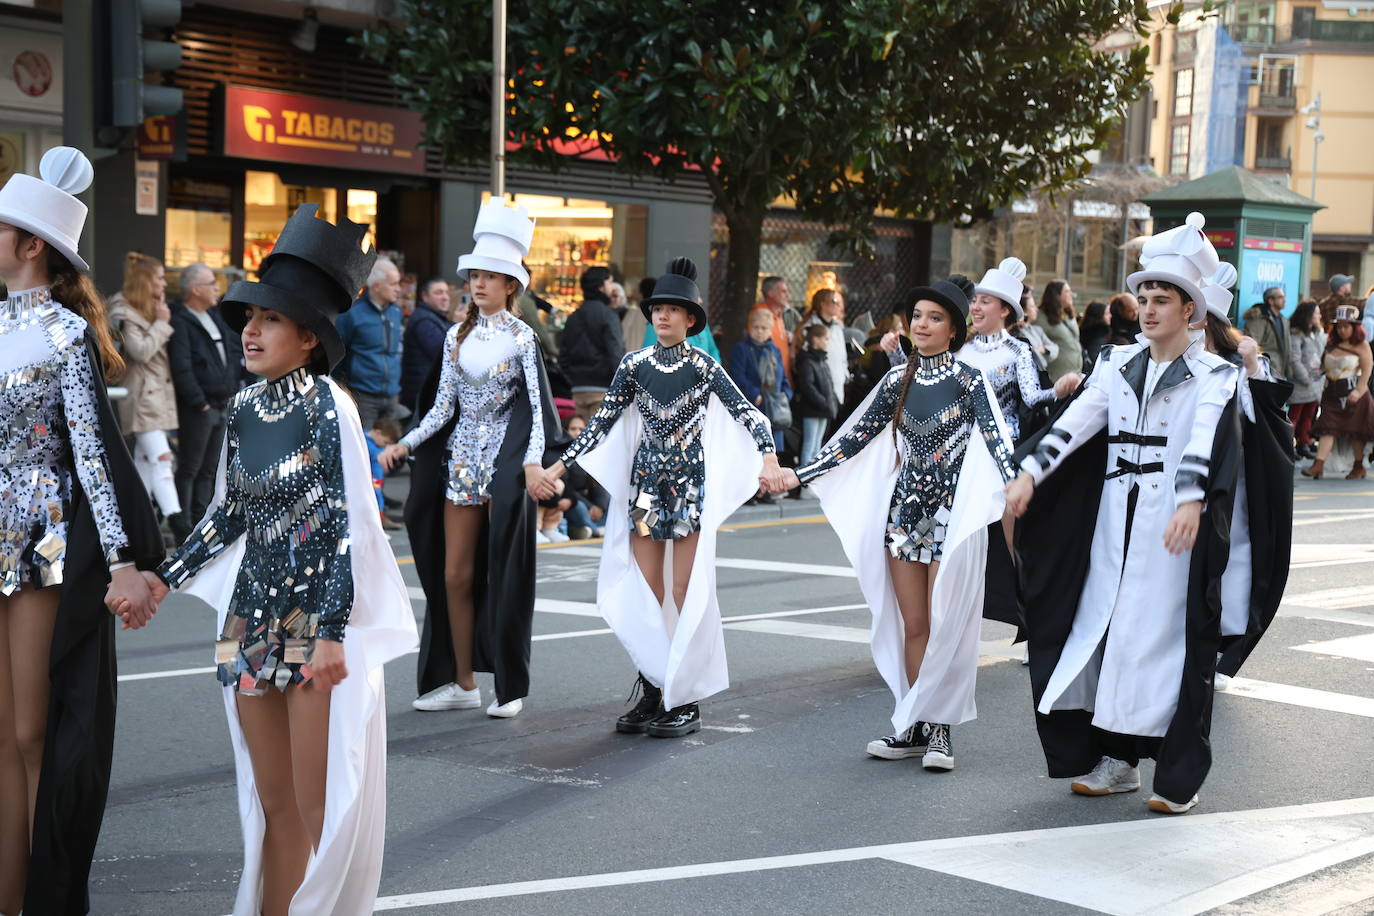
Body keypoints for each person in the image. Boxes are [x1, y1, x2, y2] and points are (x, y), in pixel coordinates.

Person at [152, 204, 417, 916]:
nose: (250, 328)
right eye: (248, 316)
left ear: (307, 339)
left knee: (311, 804)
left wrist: (330, 631)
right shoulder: (242, 409)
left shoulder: (329, 406)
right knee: (269, 809)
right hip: (248, 616)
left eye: (268, 319)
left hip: (308, 617)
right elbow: (229, 514)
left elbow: (341, 523)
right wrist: (161, 579)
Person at [1006, 212, 1244, 815]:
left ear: (1191, 310)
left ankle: (1175, 771)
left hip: (1173, 528)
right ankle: (1115, 761)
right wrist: (1031, 473)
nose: (1149, 308)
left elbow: (1203, 441)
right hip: (1115, 518)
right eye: (1144, 297)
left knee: (1164, 642)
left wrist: (1190, 499)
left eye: (1162, 299)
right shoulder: (1115, 364)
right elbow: (1076, 423)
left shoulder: (1216, 375)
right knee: (1105, 631)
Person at [0, 146, 162, 915]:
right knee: (2, 735)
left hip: (43, 543)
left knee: (34, 732)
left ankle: (44, 894)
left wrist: (125, 559)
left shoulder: (66, 334)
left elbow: (95, 455)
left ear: (32, 245)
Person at [775, 279, 1016, 771]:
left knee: (949, 623)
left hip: (954, 520)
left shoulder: (971, 381)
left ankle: (941, 731)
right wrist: (797, 473)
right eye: (917, 316)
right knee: (916, 625)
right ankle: (913, 721)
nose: (921, 325)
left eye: (934, 318)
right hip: (906, 518)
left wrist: (1021, 486)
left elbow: (998, 442)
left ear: (953, 330)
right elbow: (851, 441)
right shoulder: (895, 381)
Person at [546, 258, 787, 738]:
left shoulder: (703, 366)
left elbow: (750, 415)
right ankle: (656, 688)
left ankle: (686, 697)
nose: (662, 317)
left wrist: (769, 458)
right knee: (648, 592)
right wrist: (557, 465)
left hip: (689, 493)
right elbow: (600, 425)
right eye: (657, 309)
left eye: (674, 310)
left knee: (683, 592)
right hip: (644, 492)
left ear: (690, 319)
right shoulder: (633, 365)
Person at [381, 199, 561, 719]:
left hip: (504, 468)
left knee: (503, 572)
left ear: (512, 286)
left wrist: (530, 465)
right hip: (459, 464)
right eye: (475, 275)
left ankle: (509, 686)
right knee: (453, 575)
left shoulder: (524, 338)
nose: (479, 284)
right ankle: (461, 681)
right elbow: (441, 408)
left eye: (492, 276)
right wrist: (405, 444)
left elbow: (537, 411)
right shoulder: (453, 336)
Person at [1193, 311, 1294, 685]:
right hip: (1176, 474)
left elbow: (1263, 417)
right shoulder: (1163, 357)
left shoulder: (1241, 363)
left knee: (1233, 555)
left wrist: (1251, 368)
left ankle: (1221, 645)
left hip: (1229, 478)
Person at [169, 262, 246, 540]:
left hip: (220, 403)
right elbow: (182, 365)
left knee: (210, 468)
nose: (217, 288)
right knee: (190, 467)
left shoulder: (213, 316)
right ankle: (184, 526)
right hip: (199, 408)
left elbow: (228, 354)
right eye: (212, 283)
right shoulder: (180, 320)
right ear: (195, 289)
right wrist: (198, 401)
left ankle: (202, 520)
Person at [109, 251, 182, 519]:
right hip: (142, 397)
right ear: (145, 280)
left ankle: (136, 518)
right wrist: (162, 323)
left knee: (145, 460)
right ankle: (177, 522)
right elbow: (140, 351)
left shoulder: (147, 308)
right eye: (160, 278)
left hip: (155, 396)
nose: (164, 284)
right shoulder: (123, 310)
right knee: (163, 459)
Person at [1303, 305, 1374, 480]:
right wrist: (1312, 372)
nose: (1342, 330)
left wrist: (1358, 391)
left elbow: (1367, 370)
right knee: (1328, 428)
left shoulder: (1362, 345)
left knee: (1355, 432)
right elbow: (1320, 369)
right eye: (1339, 326)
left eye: (1346, 326)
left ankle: (1358, 466)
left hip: (1355, 395)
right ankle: (1318, 465)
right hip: (1332, 394)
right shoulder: (1331, 344)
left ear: (1355, 327)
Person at [336, 255, 403, 428]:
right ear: (377, 286)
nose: (398, 289)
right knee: (364, 448)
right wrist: (343, 388)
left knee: (389, 450)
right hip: (364, 395)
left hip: (392, 394)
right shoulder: (353, 314)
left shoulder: (395, 311)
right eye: (393, 284)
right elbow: (339, 353)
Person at [559, 265, 624, 420]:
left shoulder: (573, 317)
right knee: (599, 441)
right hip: (602, 388)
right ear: (601, 287)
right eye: (610, 282)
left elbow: (563, 356)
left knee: (579, 438)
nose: (612, 287)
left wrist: (572, 378)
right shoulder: (608, 316)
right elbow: (615, 353)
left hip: (576, 389)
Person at [727, 307, 793, 454]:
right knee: (753, 452)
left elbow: (783, 379)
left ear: (770, 330)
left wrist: (785, 396)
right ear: (749, 328)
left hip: (774, 410)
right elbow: (737, 377)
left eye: (764, 328)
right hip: (753, 407)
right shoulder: (741, 349)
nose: (759, 331)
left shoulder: (775, 351)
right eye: (756, 327)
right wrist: (754, 394)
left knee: (773, 454)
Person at [400, 277, 454, 415]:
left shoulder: (437, 318)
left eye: (446, 293)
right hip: (423, 393)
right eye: (439, 293)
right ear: (425, 296)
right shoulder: (424, 320)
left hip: (429, 391)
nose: (445, 297)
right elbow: (444, 352)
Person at [793, 288, 849, 408]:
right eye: (834, 301)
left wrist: (844, 375)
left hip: (837, 387)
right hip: (818, 390)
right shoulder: (809, 328)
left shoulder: (838, 328)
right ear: (823, 304)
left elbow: (842, 357)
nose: (838, 305)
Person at [794, 323, 839, 467]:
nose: (828, 342)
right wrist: (824, 402)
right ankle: (804, 477)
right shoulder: (807, 361)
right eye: (826, 339)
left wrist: (830, 403)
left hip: (823, 410)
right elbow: (807, 387)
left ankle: (812, 473)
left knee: (817, 444)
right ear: (816, 340)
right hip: (812, 410)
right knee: (809, 444)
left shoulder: (822, 360)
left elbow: (829, 385)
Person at [1287, 300, 1325, 459]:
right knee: (1295, 416)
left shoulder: (1316, 333)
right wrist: (1306, 378)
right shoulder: (1296, 334)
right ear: (1308, 315)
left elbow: (1319, 356)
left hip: (1315, 381)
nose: (1319, 315)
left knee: (1309, 416)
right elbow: (1294, 359)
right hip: (1302, 383)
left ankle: (1303, 442)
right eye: (1316, 312)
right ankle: (1290, 445)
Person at [1036, 279, 1083, 381]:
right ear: (1056, 295)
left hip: (1075, 374)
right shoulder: (1041, 317)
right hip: (1056, 378)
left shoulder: (1068, 314)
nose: (1071, 294)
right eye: (1067, 291)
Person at [1242, 286, 1293, 382]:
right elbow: (1252, 346)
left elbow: (1286, 349)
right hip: (1263, 373)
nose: (1284, 300)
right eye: (1281, 297)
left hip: (1279, 372)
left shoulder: (1283, 320)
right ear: (1271, 301)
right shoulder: (1258, 319)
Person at [758, 275, 799, 382]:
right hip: (769, 382)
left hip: (783, 380)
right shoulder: (761, 314)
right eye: (783, 291)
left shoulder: (778, 315)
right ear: (770, 293)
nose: (787, 295)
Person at [366, 418, 404, 530]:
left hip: (376, 479)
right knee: (376, 499)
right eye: (385, 442)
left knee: (378, 499)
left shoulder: (364, 439)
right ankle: (377, 522)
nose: (384, 447)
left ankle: (379, 521)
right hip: (372, 480)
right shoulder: (369, 445)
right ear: (378, 433)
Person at [1020, 285, 1058, 371]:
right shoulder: (1016, 332)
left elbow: (1055, 349)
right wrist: (1036, 350)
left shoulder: (1037, 330)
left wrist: (1043, 349)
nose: (1036, 309)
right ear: (1024, 311)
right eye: (1032, 306)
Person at [1078, 300, 1110, 368]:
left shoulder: (1084, 331)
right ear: (1098, 316)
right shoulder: (1099, 336)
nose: (1110, 316)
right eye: (1107, 314)